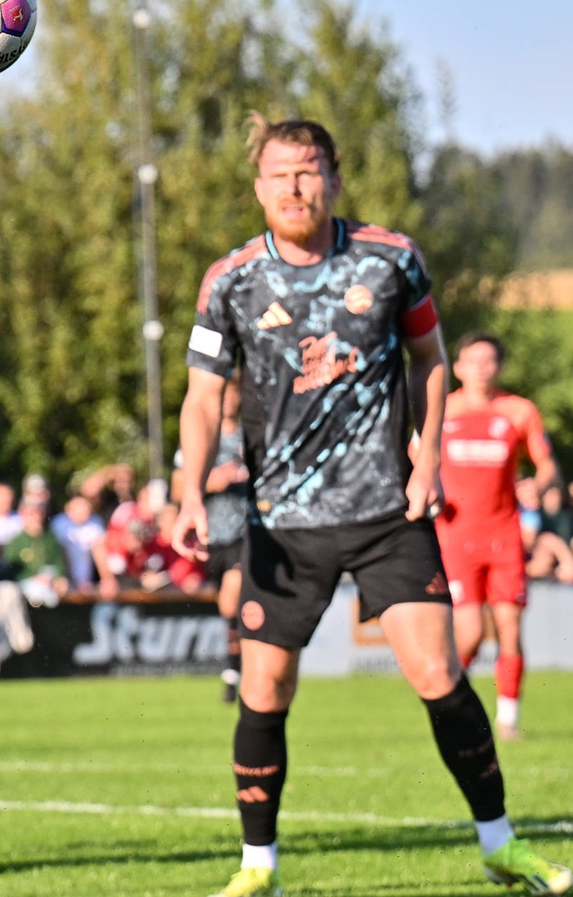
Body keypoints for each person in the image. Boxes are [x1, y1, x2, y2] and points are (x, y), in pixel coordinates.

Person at [172, 113, 569, 897]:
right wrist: (188, 488)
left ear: (335, 178)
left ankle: (500, 844)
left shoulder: (391, 260)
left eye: (309, 169)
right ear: (258, 186)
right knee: (263, 691)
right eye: (280, 172)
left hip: (390, 512)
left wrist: (426, 455)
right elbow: (201, 395)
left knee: (436, 671)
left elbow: (431, 360)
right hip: (281, 522)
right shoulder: (231, 279)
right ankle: (259, 868)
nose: (294, 185)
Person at [435, 332, 560, 740]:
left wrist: (538, 488)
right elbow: (415, 459)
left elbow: (547, 466)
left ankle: (507, 720)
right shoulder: (442, 409)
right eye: (472, 361)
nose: (481, 369)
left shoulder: (518, 412)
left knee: (510, 628)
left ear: (498, 367)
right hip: (455, 535)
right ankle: (453, 708)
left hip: (504, 535)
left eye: (488, 361)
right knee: (468, 632)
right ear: (458, 368)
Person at [176, 373, 252, 702]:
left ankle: (235, 672)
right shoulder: (200, 437)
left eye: (236, 393)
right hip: (209, 535)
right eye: (226, 394)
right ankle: (234, 666)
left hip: (246, 532)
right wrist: (212, 481)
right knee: (228, 606)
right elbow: (177, 488)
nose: (230, 400)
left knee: (234, 595)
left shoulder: (253, 436)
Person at [1, 501, 69, 600]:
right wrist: (33, 577)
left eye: (39, 513)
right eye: (31, 514)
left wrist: (59, 578)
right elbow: (11, 570)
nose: (36, 517)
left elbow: (58, 562)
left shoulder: (50, 538)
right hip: (26, 588)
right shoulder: (16, 542)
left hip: (50, 585)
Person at [51, 495, 104, 592]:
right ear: (69, 510)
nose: (85, 513)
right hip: (64, 576)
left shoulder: (95, 523)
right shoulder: (58, 524)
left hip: (89, 580)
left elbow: (100, 552)